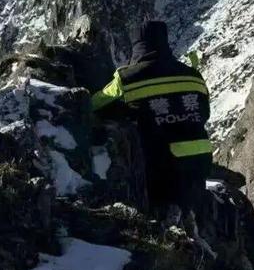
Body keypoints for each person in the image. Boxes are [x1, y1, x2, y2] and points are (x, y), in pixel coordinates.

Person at [91, 21, 213, 227]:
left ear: (136, 45)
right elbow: (205, 112)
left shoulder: (127, 78)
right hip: (201, 158)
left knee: (160, 214)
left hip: (163, 162)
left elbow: (95, 104)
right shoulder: (194, 75)